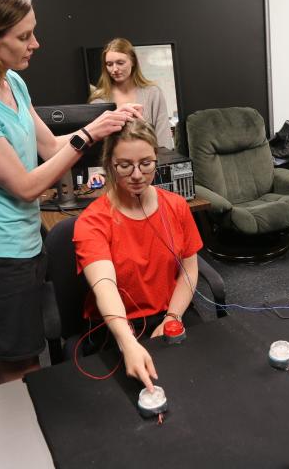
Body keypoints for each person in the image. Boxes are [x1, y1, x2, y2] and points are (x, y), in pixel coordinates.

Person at [0, 0, 142, 386]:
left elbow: (51, 146)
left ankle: (2, 433)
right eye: (23, 36)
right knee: (25, 366)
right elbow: (26, 187)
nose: (35, 43)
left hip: (26, 243)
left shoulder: (12, 82)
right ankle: (14, 439)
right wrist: (90, 133)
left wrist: (101, 128)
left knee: (12, 358)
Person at [73, 120, 202, 390]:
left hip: (170, 313)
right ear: (109, 164)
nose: (137, 174)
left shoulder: (177, 207)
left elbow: (189, 270)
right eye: (124, 165)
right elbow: (104, 285)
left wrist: (173, 317)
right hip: (118, 325)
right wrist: (127, 341)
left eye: (146, 163)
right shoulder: (92, 221)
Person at [89, 37, 175, 149]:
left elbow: (164, 140)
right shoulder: (98, 101)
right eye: (109, 64)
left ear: (133, 61)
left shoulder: (153, 93)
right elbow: (97, 146)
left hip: (150, 162)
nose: (114, 69)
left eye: (120, 63)